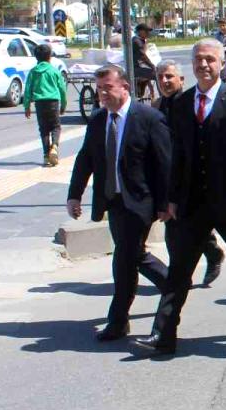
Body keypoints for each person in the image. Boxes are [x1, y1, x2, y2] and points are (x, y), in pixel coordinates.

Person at [135, 40, 226, 355]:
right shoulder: (182, 103)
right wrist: (171, 199)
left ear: (220, 64)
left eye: (210, 60)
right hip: (192, 203)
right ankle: (164, 332)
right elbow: (177, 156)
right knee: (178, 270)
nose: (204, 65)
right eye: (199, 59)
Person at [66, 65, 171, 341]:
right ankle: (173, 283)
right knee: (132, 254)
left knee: (124, 257)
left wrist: (165, 202)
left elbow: (164, 164)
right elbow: (86, 158)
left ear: (125, 87)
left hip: (141, 201)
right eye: (99, 89)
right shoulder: (99, 119)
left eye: (108, 87)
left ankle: (118, 320)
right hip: (113, 201)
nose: (102, 94)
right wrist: (74, 195)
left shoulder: (148, 118)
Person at [155, 59, 226, 286]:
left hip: (192, 178)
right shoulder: (156, 107)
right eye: (161, 78)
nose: (165, 81)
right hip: (168, 178)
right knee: (177, 228)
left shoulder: (190, 104)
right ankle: (187, 271)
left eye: (169, 76)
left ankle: (183, 274)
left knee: (186, 227)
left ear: (181, 79)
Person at [23, 42, 67, 167]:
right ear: (49, 57)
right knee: (56, 126)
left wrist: (27, 106)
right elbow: (62, 89)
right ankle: (54, 147)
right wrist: (63, 105)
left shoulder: (33, 72)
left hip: (39, 103)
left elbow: (27, 90)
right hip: (53, 102)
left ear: (36, 57)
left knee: (44, 130)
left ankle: (46, 156)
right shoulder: (54, 71)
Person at [132, 24, 157, 98]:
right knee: (158, 75)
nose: (148, 33)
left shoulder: (140, 40)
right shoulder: (136, 41)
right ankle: (164, 97)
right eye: (146, 31)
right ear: (140, 32)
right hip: (136, 69)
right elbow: (143, 56)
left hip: (139, 67)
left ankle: (141, 94)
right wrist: (152, 66)